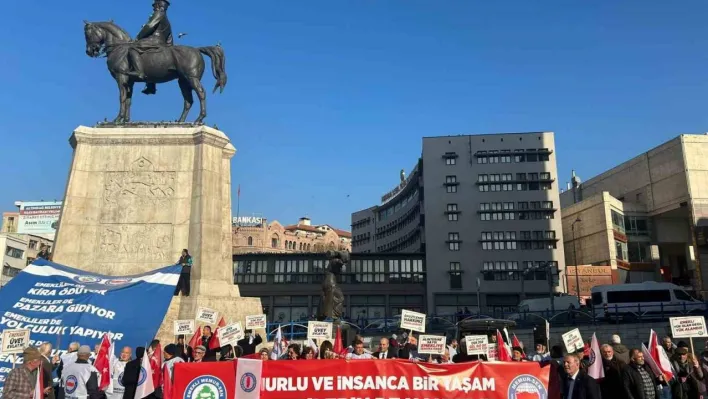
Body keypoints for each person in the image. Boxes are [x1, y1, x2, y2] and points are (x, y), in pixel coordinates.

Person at [129, 0, 173, 95]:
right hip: (162, 44)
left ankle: (139, 72)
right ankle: (151, 85)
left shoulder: (158, 14)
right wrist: (168, 49)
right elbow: (170, 39)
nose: (153, 8)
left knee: (132, 48)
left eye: (154, 6)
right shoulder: (168, 21)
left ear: (158, 5)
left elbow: (149, 26)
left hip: (153, 41)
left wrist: (138, 37)